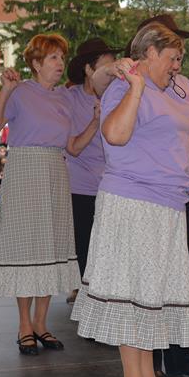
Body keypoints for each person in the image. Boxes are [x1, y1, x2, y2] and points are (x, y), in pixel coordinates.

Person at [72, 21, 189, 377]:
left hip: (169, 202)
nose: (178, 66)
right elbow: (115, 136)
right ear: (149, 52)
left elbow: (175, 148)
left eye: (181, 59)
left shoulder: (182, 87)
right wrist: (137, 86)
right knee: (133, 298)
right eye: (173, 58)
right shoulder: (124, 85)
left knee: (150, 300)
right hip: (132, 203)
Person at [0, 33, 87, 357]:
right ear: (36, 63)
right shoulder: (21, 91)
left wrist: (95, 121)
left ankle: (41, 322)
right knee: (26, 250)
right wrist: (6, 90)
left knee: (50, 247)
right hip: (25, 171)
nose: (59, 64)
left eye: (61, 58)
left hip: (55, 170)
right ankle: (24, 325)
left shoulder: (65, 99)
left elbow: (73, 146)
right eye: (53, 58)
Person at [62, 37, 122, 304]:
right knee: (84, 246)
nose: (112, 72)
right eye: (106, 66)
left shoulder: (118, 96)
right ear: (89, 70)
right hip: (80, 186)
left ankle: (98, 295)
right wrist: (96, 121)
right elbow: (73, 147)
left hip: (112, 184)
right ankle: (84, 293)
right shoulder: (69, 99)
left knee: (109, 248)